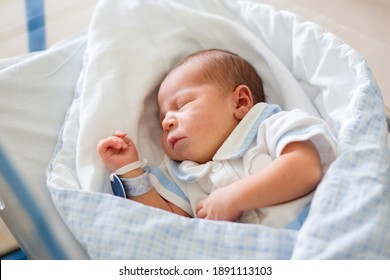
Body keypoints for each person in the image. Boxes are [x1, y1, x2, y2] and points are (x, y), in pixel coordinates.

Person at [97, 49, 336, 227]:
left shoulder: (270, 127)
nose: (166, 122)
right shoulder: (185, 177)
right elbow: (167, 223)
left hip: (315, 230)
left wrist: (234, 198)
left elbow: (305, 169)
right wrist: (129, 171)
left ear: (240, 102)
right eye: (163, 120)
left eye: (183, 105)